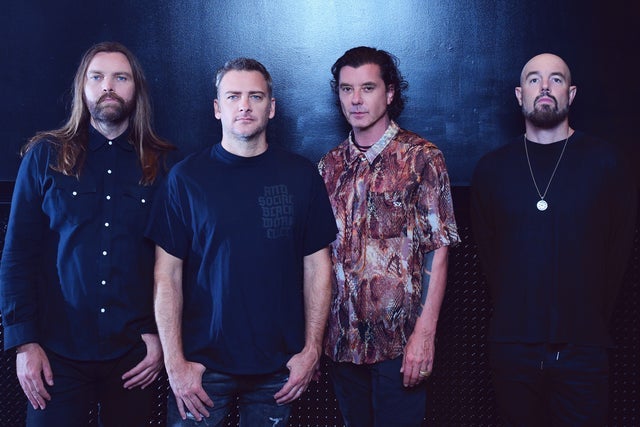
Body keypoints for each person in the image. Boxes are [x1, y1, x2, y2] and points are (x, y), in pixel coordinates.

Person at [146, 57, 337, 426]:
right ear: (218, 108)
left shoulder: (301, 176)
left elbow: (318, 268)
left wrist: (312, 350)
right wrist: (175, 363)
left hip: (279, 368)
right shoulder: (185, 179)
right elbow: (166, 276)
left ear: (271, 107)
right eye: (233, 97)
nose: (245, 106)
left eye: (256, 96)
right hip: (201, 367)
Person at [0, 41, 175, 426]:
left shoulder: (163, 165)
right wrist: (25, 343)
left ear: (136, 89)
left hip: (134, 356)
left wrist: (160, 336)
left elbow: (174, 264)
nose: (108, 86)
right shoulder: (44, 156)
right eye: (97, 77)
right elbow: (17, 256)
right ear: (82, 87)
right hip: (55, 354)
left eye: (120, 77)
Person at [471, 53, 638, 426]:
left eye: (556, 79)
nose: (544, 87)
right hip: (512, 348)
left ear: (571, 93)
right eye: (533, 79)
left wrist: (588, 321)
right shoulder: (492, 169)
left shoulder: (607, 163)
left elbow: (618, 254)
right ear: (520, 95)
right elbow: (490, 256)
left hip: (585, 349)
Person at [319, 46, 460, 426]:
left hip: (399, 345)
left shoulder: (422, 158)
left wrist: (424, 335)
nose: (356, 99)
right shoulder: (329, 166)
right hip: (341, 344)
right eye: (346, 89)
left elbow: (438, 249)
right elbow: (316, 258)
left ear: (390, 93)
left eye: (367, 88)